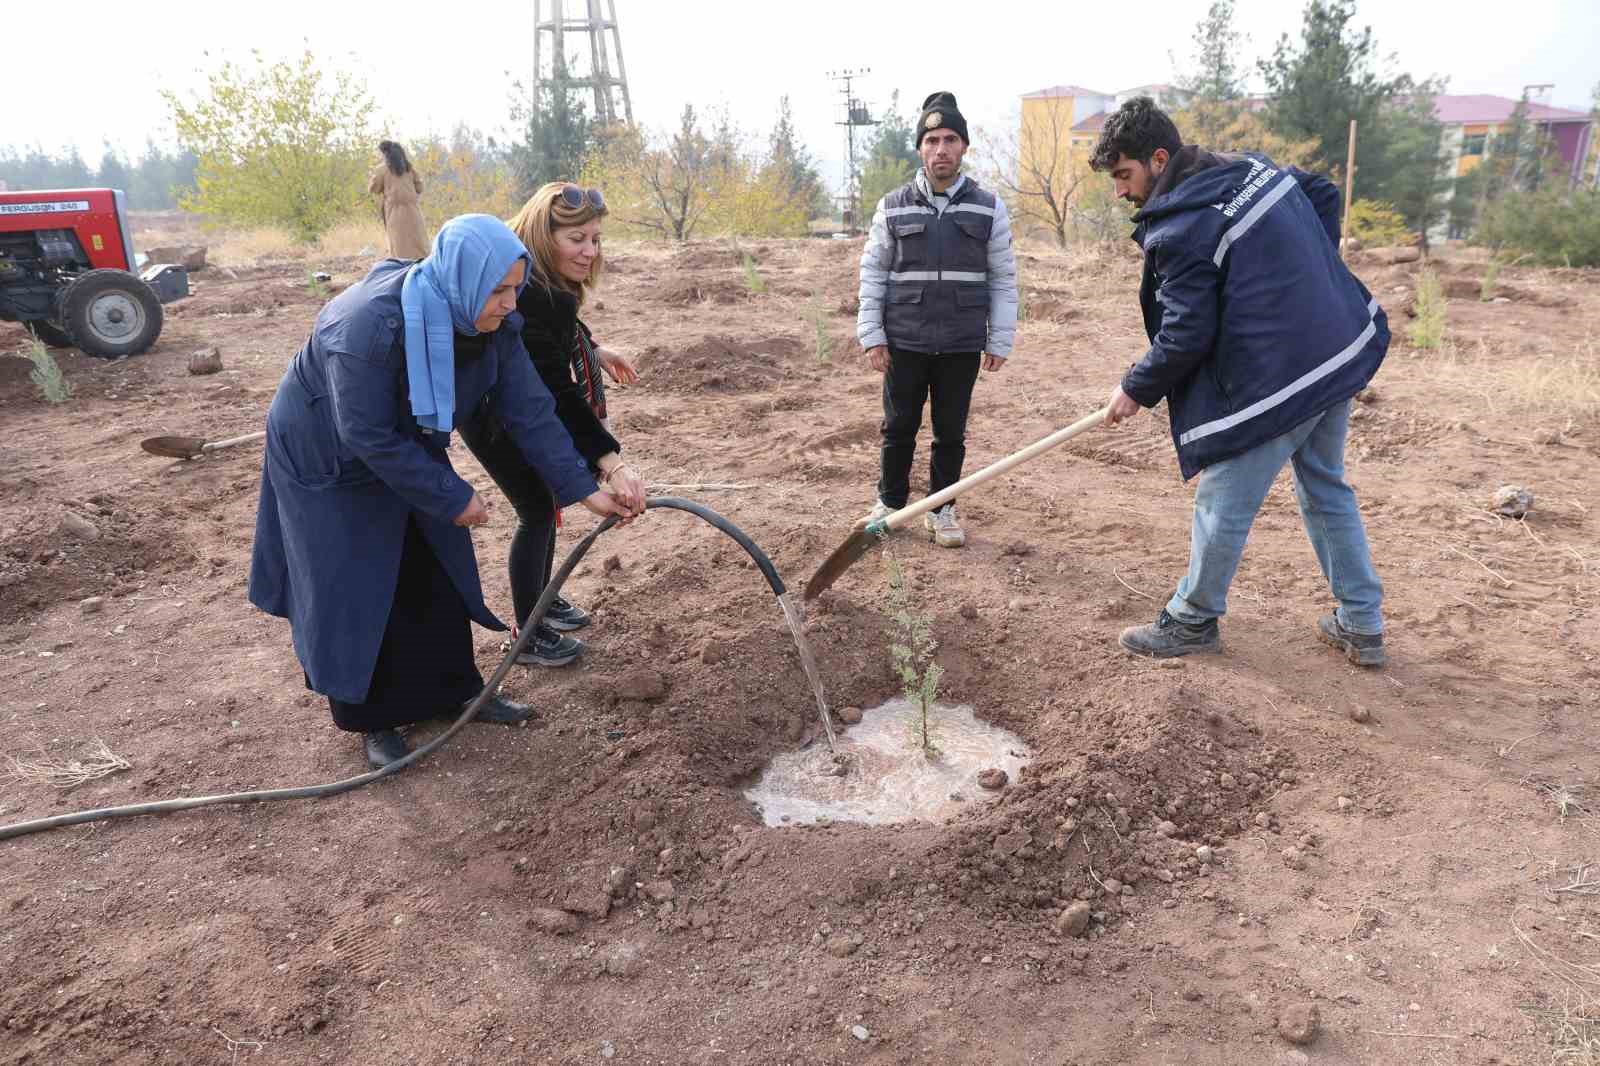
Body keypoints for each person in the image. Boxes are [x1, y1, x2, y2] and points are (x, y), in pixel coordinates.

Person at [248, 215, 638, 770]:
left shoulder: (492, 324)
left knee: (434, 561)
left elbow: (530, 410)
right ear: (461, 280)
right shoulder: (363, 327)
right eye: (498, 290)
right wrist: (451, 494)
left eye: (514, 288)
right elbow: (365, 433)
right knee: (356, 580)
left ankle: (454, 693)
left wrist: (583, 489)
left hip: (403, 439)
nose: (510, 303)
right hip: (329, 454)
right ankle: (373, 720)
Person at [1090, 96, 1388, 665]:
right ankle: (1362, 622)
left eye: (1124, 176)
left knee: (1223, 494)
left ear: (1157, 158)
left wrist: (1134, 388)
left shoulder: (1181, 224)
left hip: (1282, 377)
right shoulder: (1249, 168)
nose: (1121, 191)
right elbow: (1322, 190)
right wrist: (1305, 280)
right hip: (1335, 350)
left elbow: (1186, 334)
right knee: (1325, 486)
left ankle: (1192, 618)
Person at [457, 183, 645, 668]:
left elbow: (558, 337)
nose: (589, 251)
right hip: (495, 417)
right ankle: (529, 631)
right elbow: (556, 393)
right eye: (576, 238)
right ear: (544, 235)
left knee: (545, 504)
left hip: (518, 409)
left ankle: (542, 598)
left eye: (596, 239)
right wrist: (611, 459)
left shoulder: (547, 286)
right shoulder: (527, 293)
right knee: (537, 509)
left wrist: (595, 350)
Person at [856, 91, 1018, 548]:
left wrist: (1000, 338)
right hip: (904, 339)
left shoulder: (988, 208)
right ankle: (889, 503)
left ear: (963, 147)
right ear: (920, 148)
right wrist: (872, 334)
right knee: (898, 426)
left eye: (950, 139)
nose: (940, 149)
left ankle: (941, 509)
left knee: (951, 431)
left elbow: (1003, 277)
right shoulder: (893, 206)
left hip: (962, 342)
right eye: (931, 140)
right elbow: (873, 272)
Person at [369, 141, 429, 260]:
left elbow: (374, 189)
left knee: (399, 248)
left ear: (385, 154)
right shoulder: (409, 168)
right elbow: (419, 187)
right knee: (419, 246)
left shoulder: (381, 169)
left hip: (394, 214)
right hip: (413, 212)